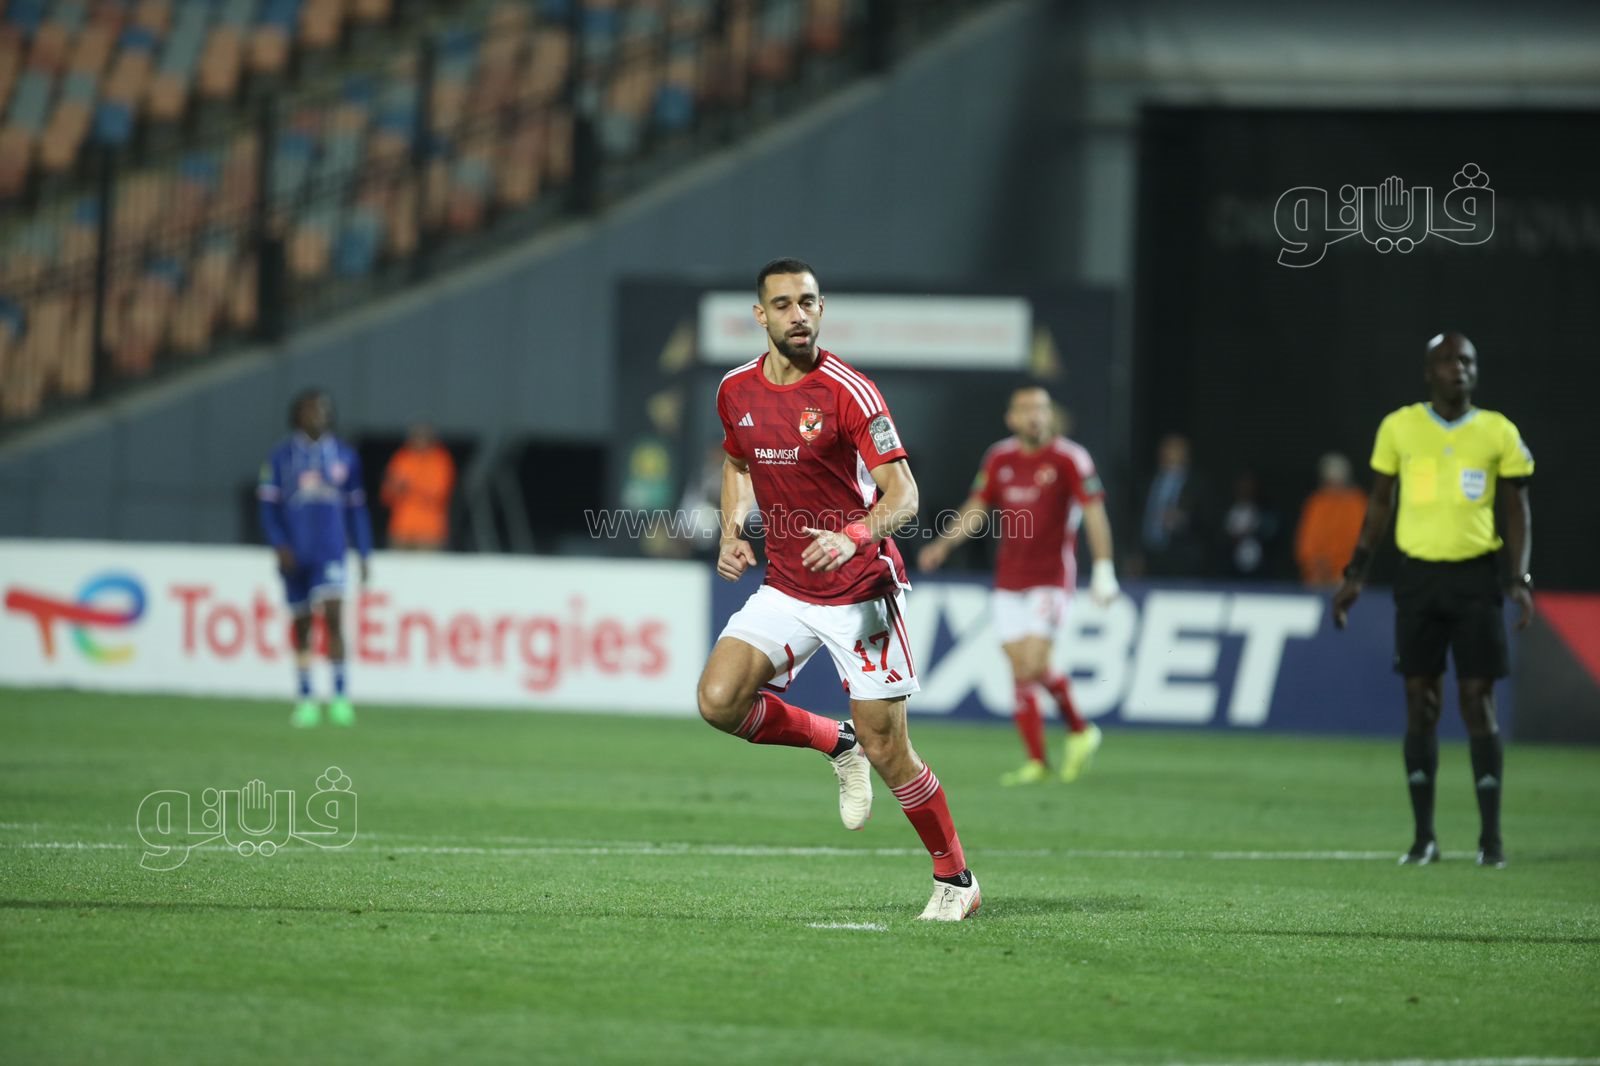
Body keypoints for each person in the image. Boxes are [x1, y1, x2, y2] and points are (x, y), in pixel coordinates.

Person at [698, 258, 980, 921]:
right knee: (719, 700)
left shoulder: (850, 391)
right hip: (787, 585)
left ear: (821, 309)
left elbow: (904, 495)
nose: (799, 314)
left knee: (890, 750)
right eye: (784, 304)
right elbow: (737, 463)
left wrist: (854, 535)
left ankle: (956, 879)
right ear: (760, 315)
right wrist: (731, 531)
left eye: (809, 302)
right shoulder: (735, 390)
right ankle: (835, 742)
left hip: (860, 591)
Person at [1333, 332, 1534, 869]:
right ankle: (1424, 838)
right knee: (1420, 701)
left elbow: (1517, 510)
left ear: (1476, 370)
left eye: (1466, 360)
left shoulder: (1498, 431)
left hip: (1475, 578)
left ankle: (1490, 841)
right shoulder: (1399, 427)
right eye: (1446, 360)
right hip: (1418, 577)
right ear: (1428, 371)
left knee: (1476, 700)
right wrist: (1356, 573)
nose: (1457, 368)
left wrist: (1517, 578)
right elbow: (1380, 503)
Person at [917, 387, 1120, 785]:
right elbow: (977, 507)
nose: (1035, 416)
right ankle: (1040, 760)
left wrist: (1103, 568)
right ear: (1011, 418)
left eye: (1041, 409)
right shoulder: (999, 458)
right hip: (1009, 578)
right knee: (1020, 669)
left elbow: (1094, 513)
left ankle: (1079, 731)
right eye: (1027, 410)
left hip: (1051, 578)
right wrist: (943, 544)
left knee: (1032, 664)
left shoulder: (1070, 458)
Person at [258, 388, 374, 728]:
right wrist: (279, 544)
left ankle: (340, 697)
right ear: (298, 415)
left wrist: (363, 552)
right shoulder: (280, 457)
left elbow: (357, 509)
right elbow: (267, 508)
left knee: (334, 616)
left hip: (331, 549)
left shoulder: (345, 456)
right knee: (303, 624)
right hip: (296, 552)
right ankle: (306, 697)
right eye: (312, 409)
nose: (319, 415)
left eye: (324, 409)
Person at [1295, 452, 1366, 589]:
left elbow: (1361, 541)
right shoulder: (1317, 502)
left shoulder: (1356, 503)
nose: (1333, 485)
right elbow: (1306, 540)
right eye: (1330, 480)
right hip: (1316, 576)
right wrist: (1315, 565)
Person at [1139, 433, 1206, 576]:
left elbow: (1209, 519)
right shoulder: (1148, 482)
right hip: (1149, 555)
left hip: (1182, 558)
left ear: (1186, 454)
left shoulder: (1197, 485)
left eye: (1175, 448)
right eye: (1166, 447)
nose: (1169, 452)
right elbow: (1136, 518)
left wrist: (1184, 519)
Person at [381, 423, 456, 550]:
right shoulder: (402, 458)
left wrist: (409, 485)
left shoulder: (440, 460)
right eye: (417, 437)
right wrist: (396, 488)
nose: (420, 441)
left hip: (430, 532)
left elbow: (439, 493)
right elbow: (386, 495)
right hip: (401, 530)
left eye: (424, 437)